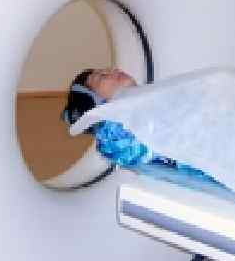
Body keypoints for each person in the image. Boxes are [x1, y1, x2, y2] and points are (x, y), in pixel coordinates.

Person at [62, 68, 216, 179]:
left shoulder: (156, 101)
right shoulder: (113, 137)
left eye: (107, 69)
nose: (113, 70)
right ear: (95, 104)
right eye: (102, 76)